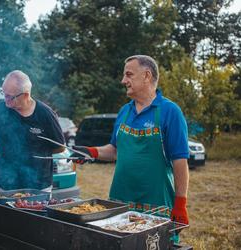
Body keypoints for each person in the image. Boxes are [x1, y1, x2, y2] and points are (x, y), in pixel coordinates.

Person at [71, 55, 189, 226]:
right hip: (120, 201)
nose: (123, 80)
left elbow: (180, 161)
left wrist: (180, 204)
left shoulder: (170, 111)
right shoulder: (124, 111)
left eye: (129, 74)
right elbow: (115, 150)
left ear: (147, 76)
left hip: (157, 203)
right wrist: (91, 152)